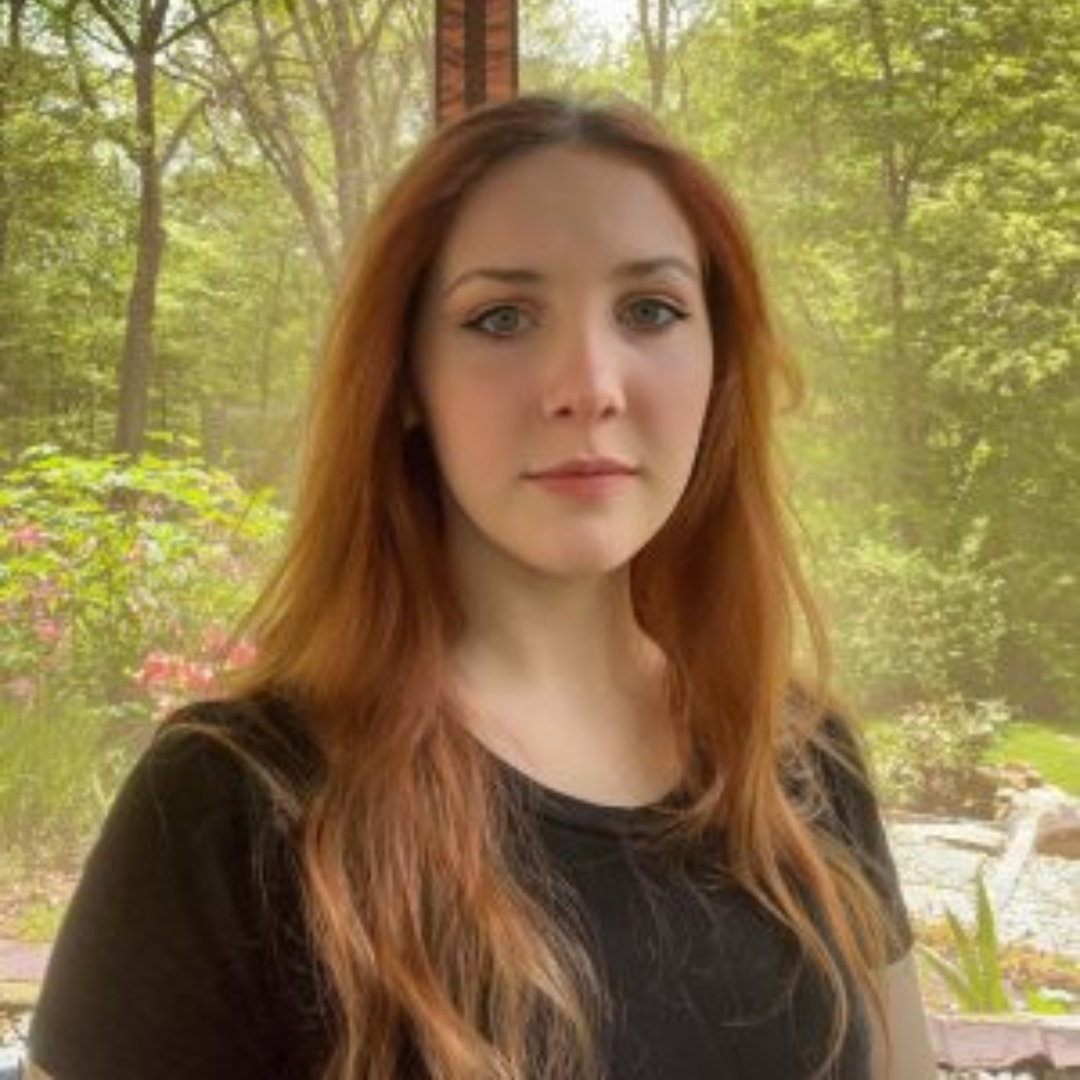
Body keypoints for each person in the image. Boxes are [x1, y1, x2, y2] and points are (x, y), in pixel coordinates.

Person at [27, 94, 936, 1080]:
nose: (588, 384)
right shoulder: (229, 807)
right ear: (407, 379)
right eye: (501, 317)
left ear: (717, 363)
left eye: (651, 310)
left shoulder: (803, 764)